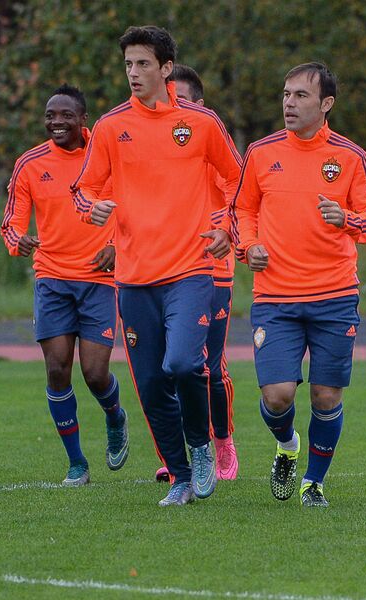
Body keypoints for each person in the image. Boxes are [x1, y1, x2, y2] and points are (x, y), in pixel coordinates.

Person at [71, 26, 242, 507]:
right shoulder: (109, 127)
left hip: (190, 268)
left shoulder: (202, 123)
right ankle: (183, 476)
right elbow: (84, 189)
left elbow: (237, 180)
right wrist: (92, 209)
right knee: (148, 382)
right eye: (128, 64)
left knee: (186, 363)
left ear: (166, 69)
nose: (134, 72)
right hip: (133, 276)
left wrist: (226, 226)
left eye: (143, 63)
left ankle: (203, 446)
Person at [231, 62, 366, 508]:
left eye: (301, 96)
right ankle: (286, 445)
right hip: (275, 296)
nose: (289, 103)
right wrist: (249, 246)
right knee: (278, 397)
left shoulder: (351, 157)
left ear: (326, 104)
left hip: (335, 295)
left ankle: (313, 482)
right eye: (286, 94)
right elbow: (242, 211)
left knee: (325, 394)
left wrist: (347, 219)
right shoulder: (261, 153)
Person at [1, 85, 127, 486]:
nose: (56, 122)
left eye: (65, 116)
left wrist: (116, 247)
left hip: (99, 281)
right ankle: (77, 464)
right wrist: (16, 241)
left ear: (83, 119)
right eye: (50, 116)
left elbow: (138, 209)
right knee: (58, 369)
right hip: (52, 278)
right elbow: (12, 223)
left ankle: (115, 415)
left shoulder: (108, 158)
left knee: (94, 374)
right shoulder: (30, 164)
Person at [151, 64, 239, 483]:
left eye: (183, 99)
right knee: (168, 366)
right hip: (162, 268)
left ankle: (221, 440)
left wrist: (223, 229)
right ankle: (176, 455)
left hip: (212, 267)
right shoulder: (155, 148)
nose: (174, 107)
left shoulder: (212, 144)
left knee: (209, 366)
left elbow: (240, 196)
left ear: (199, 105)